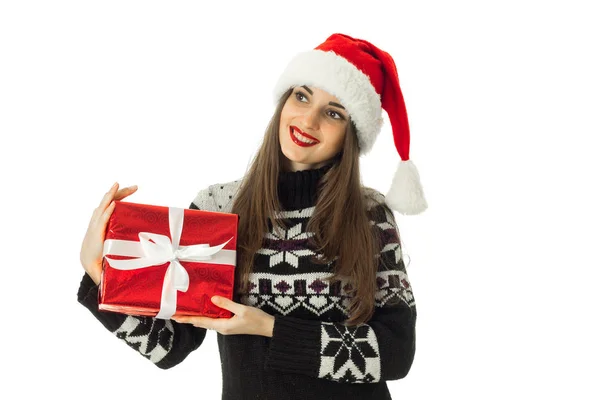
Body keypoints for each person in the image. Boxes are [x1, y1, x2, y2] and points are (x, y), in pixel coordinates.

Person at [78, 33, 427, 400]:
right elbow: (170, 346)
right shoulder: (219, 207)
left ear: (350, 134)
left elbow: (396, 351)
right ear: (284, 100)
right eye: (302, 96)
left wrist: (270, 328)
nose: (308, 120)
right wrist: (98, 272)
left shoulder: (371, 216)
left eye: (333, 112)